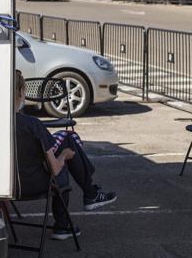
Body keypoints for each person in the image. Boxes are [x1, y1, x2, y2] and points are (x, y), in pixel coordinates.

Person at [14, 71, 117, 240]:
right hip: (34, 184)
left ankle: (89, 194)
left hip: (5, 185)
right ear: (20, 93)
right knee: (63, 163)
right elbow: (54, 168)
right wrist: (63, 156)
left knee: (66, 139)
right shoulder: (32, 125)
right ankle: (64, 223)